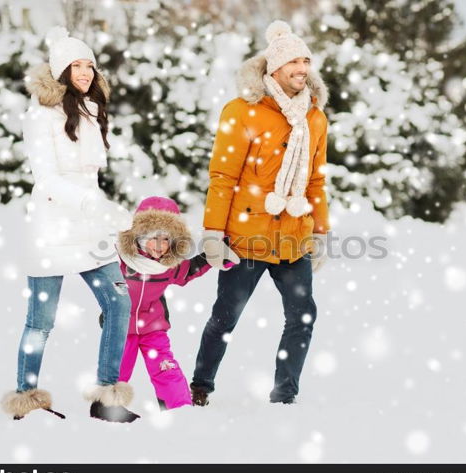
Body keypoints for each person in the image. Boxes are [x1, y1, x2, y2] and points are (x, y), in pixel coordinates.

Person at [0, 27, 139, 423]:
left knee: (119, 302)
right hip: (51, 231)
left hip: (90, 231)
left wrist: (101, 209)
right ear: (60, 71)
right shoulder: (40, 116)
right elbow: (47, 179)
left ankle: (107, 397)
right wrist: (93, 204)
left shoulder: (91, 112)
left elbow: (87, 176)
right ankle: (27, 400)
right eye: (76, 65)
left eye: (89, 65)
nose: (85, 72)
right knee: (40, 322)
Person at [191, 20, 330, 406]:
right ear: (274, 69)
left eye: (306, 61)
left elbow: (315, 181)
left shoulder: (315, 118)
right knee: (224, 318)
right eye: (293, 63)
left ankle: (285, 396)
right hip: (246, 238)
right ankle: (201, 385)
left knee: (302, 317)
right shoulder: (242, 111)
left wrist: (319, 231)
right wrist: (213, 233)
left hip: (294, 237)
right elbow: (223, 177)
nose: (302, 69)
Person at [100, 196, 231, 410]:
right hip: (120, 325)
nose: (160, 246)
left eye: (166, 240)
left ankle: (178, 406)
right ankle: (107, 406)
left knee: (165, 368)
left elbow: (188, 271)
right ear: (140, 236)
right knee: (117, 368)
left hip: (153, 326)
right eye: (154, 238)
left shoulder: (169, 265)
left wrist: (212, 256)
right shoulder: (121, 259)